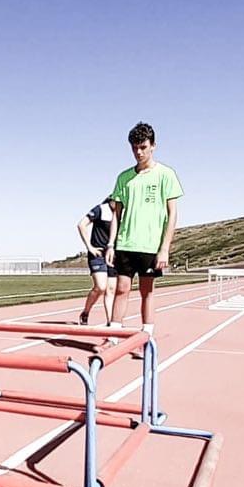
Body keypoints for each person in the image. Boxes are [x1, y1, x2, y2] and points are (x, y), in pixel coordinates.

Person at [104, 122, 183, 343]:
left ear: (153, 146)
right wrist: (111, 244)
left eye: (143, 147)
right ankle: (113, 338)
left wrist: (165, 249)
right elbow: (117, 215)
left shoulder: (166, 175)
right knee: (121, 289)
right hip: (125, 243)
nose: (138, 152)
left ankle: (146, 338)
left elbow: (172, 214)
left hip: (150, 245)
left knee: (146, 291)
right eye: (134, 148)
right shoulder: (124, 178)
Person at [76, 198, 118, 326]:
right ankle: (86, 312)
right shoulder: (101, 209)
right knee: (101, 287)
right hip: (98, 254)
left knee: (111, 290)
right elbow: (81, 224)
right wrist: (89, 247)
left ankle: (110, 322)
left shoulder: (122, 212)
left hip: (113, 255)